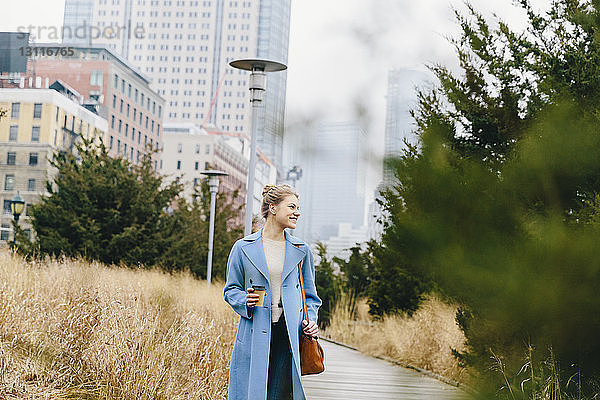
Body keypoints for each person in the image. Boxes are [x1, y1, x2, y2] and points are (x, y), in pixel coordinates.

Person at [224, 184, 322, 400]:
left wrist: (311, 320)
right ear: (273, 207)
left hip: (289, 333)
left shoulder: (301, 250)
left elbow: (311, 297)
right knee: (252, 392)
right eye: (292, 206)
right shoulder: (243, 247)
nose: (298, 212)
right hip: (253, 331)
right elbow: (230, 289)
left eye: (298, 208)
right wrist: (244, 299)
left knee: (279, 394)